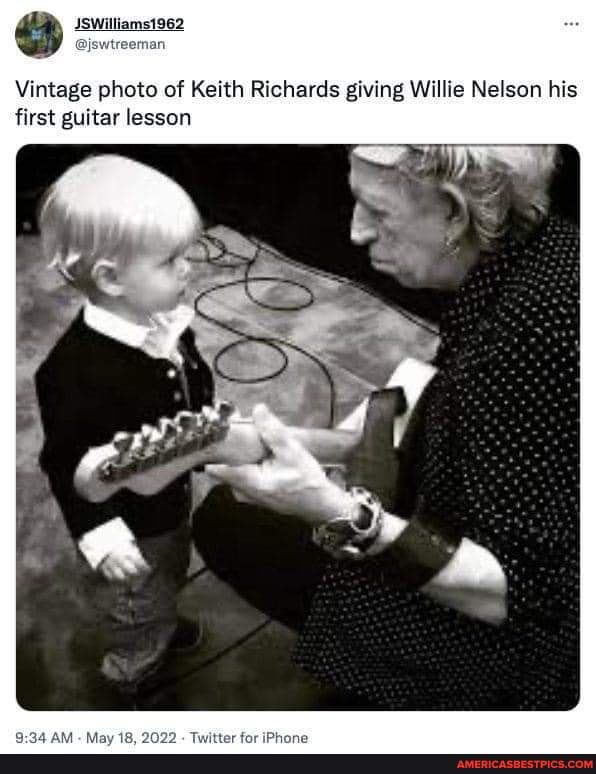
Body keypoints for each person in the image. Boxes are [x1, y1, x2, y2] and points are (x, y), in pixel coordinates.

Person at [194, 145, 579, 710]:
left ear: (454, 212)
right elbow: (456, 412)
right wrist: (311, 443)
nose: (356, 233)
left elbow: (520, 593)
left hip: (539, 652)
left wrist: (327, 507)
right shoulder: (547, 247)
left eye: (378, 212)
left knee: (229, 525)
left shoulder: (532, 337)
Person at [35, 155, 214, 702]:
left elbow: (187, 380)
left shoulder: (161, 320)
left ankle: (160, 614)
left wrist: (206, 421)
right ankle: (135, 665)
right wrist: (103, 536)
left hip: (167, 498)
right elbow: (65, 465)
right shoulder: (72, 374)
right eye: (170, 261)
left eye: (187, 254)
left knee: (171, 562)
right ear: (110, 278)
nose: (189, 268)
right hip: (127, 526)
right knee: (133, 596)